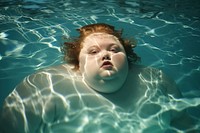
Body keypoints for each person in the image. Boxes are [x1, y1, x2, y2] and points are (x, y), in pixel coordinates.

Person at [0, 23, 194, 133]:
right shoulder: (43, 86)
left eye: (114, 49)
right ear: (78, 63)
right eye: (93, 51)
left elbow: (184, 123)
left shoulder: (158, 81)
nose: (105, 55)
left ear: (128, 57)